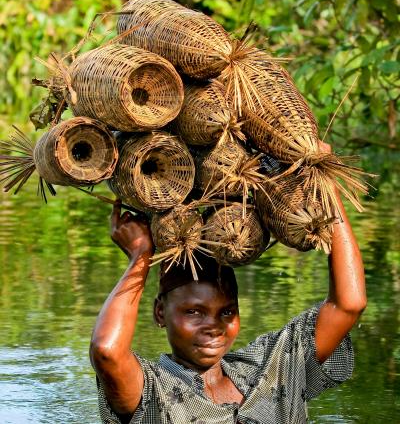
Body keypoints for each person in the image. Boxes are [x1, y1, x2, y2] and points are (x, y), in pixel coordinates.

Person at [90, 148, 367, 424]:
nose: (213, 326)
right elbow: (107, 351)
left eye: (226, 312)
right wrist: (140, 257)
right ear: (160, 312)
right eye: (194, 312)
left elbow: (348, 304)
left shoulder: (272, 366)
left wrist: (325, 185)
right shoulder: (152, 393)